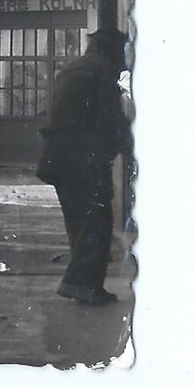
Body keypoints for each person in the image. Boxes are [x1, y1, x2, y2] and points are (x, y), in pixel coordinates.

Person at [37, 27, 133, 306]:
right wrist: (131, 148)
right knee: (98, 220)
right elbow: (109, 119)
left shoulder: (75, 68)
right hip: (82, 158)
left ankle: (83, 284)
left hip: (56, 157)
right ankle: (82, 284)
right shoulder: (103, 72)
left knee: (80, 222)